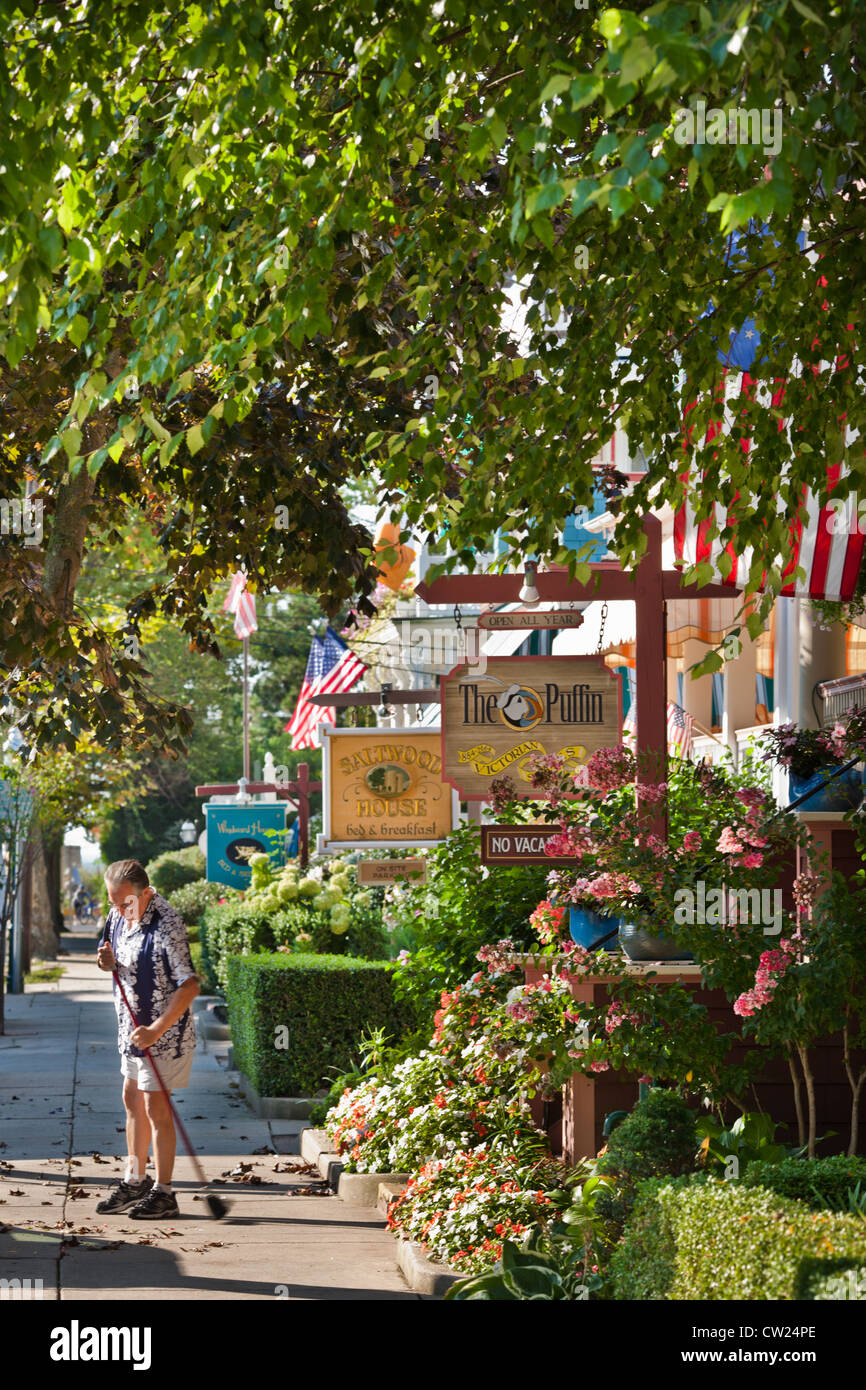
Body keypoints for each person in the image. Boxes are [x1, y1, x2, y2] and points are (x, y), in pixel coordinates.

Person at [95, 859, 199, 1219]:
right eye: (113, 902)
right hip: (131, 1029)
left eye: (125, 903)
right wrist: (106, 961)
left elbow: (189, 985)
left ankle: (165, 1191)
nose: (119, 910)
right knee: (131, 1099)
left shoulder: (166, 923)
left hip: (164, 1036)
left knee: (156, 1107)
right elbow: (112, 959)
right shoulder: (117, 917)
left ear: (147, 892)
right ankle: (135, 1179)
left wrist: (156, 1029)